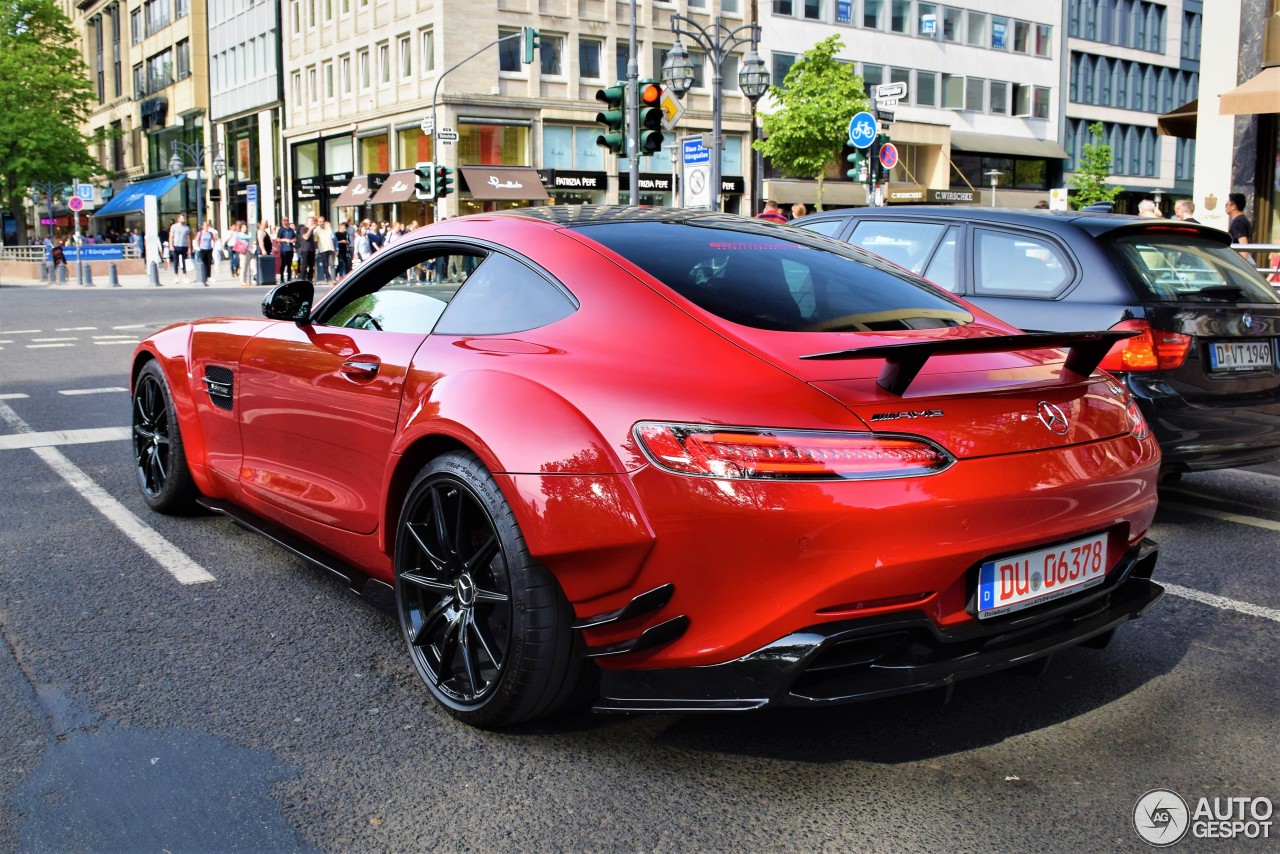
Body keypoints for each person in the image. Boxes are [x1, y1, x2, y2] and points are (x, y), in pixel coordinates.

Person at [1225, 193, 1252, 259]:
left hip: (1240, 260)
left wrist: (1243, 265)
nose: (1225, 207)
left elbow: (1243, 245)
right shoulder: (1243, 220)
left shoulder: (1238, 222)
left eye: (1226, 205)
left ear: (1233, 206)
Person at [168, 214, 191, 282]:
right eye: (181, 218)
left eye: (183, 218)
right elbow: (171, 236)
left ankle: (185, 276)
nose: (183, 219)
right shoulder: (174, 226)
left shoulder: (186, 227)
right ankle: (176, 276)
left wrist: (189, 247)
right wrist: (171, 245)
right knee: (176, 262)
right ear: (178, 219)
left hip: (184, 246)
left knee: (184, 262)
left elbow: (188, 238)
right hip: (176, 246)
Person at [195, 220, 216, 285]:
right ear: (203, 226)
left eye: (207, 226)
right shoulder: (200, 233)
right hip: (202, 249)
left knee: (209, 263)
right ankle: (203, 276)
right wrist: (198, 247)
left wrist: (213, 246)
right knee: (203, 263)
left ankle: (209, 276)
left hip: (209, 249)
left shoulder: (210, 233)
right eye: (205, 226)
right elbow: (197, 240)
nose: (206, 227)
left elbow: (214, 239)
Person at [314, 217, 334, 283]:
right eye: (320, 221)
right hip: (323, 249)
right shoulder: (316, 230)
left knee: (332, 264)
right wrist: (316, 250)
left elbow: (332, 238)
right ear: (317, 222)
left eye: (323, 221)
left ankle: (333, 278)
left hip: (330, 248)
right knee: (325, 265)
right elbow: (316, 241)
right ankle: (328, 278)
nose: (322, 223)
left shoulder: (329, 228)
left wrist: (335, 248)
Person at [296, 216, 316, 280]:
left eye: (313, 221)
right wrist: (310, 229)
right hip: (305, 249)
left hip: (311, 249)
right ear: (307, 222)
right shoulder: (303, 229)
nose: (313, 222)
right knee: (304, 265)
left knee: (311, 265)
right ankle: (303, 278)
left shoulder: (313, 230)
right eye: (311, 221)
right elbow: (305, 237)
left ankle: (310, 279)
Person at [256, 220, 273, 284]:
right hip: (264, 251)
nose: (267, 224)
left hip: (268, 250)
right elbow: (261, 241)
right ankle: (263, 279)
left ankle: (267, 279)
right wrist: (263, 250)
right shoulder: (260, 231)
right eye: (266, 223)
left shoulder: (264, 231)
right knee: (263, 266)